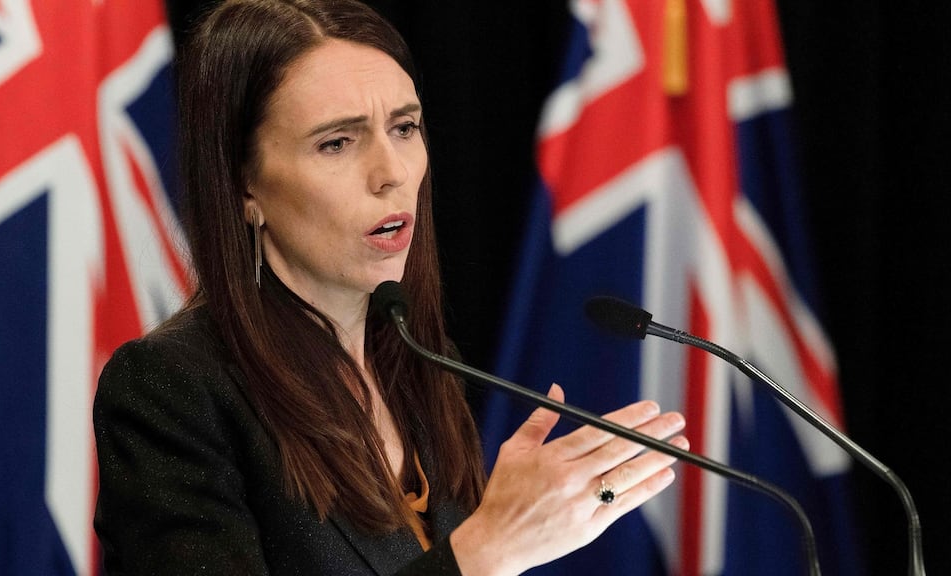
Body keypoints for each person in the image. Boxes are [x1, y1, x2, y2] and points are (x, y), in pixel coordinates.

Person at [92, 0, 689, 574]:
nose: (392, 173)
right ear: (246, 186)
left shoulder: (425, 365)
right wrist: (483, 553)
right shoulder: (171, 391)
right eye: (337, 142)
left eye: (404, 128)